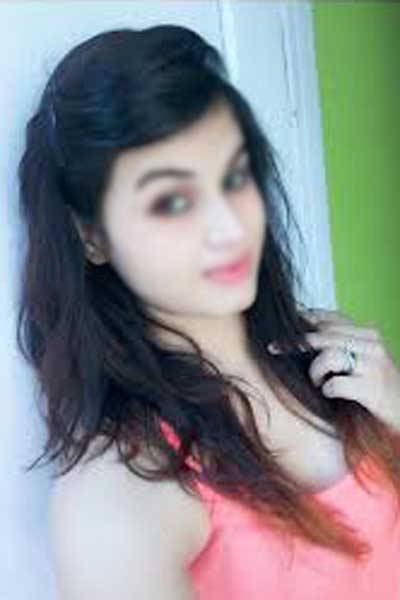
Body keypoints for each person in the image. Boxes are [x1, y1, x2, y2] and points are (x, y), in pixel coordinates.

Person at [16, 25, 400, 599]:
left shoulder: (329, 359)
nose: (228, 226)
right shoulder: (122, 492)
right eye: (172, 201)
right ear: (91, 235)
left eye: (234, 177)